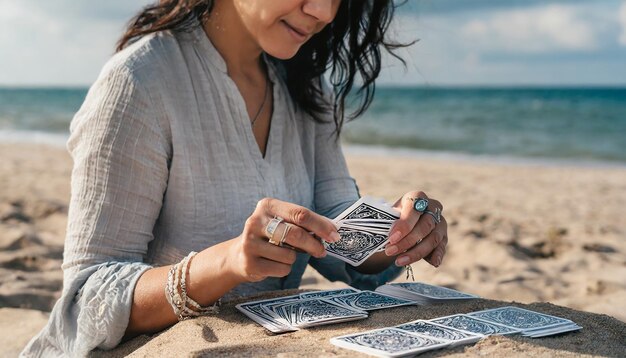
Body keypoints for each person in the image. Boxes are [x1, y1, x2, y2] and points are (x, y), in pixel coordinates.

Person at [22, 0, 448, 356]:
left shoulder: (306, 84)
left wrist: (397, 231)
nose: (321, 11)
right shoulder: (139, 82)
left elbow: (333, 232)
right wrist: (226, 263)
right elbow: (86, 299)